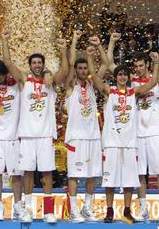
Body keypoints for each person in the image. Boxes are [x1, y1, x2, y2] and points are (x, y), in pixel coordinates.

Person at [108, 32, 159, 222]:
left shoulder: (158, 77)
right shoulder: (131, 82)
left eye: (141, 65)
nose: (138, 69)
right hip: (136, 134)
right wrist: (112, 43)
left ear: (147, 65)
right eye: (135, 66)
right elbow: (111, 66)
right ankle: (143, 208)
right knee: (140, 174)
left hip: (155, 132)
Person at [88, 48, 159, 223]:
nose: (121, 77)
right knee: (110, 179)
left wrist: (156, 63)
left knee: (129, 179)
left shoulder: (133, 92)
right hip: (112, 142)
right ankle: (110, 210)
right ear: (116, 77)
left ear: (128, 77)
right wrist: (90, 56)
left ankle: (127, 211)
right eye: (119, 74)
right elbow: (94, 77)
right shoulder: (109, 91)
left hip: (129, 142)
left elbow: (153, 82)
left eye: (124, 75)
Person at [4, 34, 69, 223]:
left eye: (40, 62)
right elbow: (8, 63)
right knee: (29, 173)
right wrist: (5, 41)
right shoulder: (24, 80)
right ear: (30, 65)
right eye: (34, 63)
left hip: (45, 135)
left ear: (43, 64)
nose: (37, 65)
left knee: (48, 173)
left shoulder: (51, 81)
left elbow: (65, 71)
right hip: (27, 135)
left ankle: (48, 211)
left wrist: (64, 49)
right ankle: (29, 209)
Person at [64, 33, 108, 222]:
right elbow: (70, 66)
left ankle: (87, 209)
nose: (82, 71)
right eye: (79, 68)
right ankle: (74, 210)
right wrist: (74, 41)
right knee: (74, 175)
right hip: (76, 136)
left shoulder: (92, 83)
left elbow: (105, 64)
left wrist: (97, 49)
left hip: (93, 136)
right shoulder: (70, 85)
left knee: (92, 175)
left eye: (84, 68)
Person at [0, 32, 23, 221]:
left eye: (0, 77)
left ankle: (18, 207)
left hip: (13, 136)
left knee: (16, 175)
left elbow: (9, 62)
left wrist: (4, 41)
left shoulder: (17, 84)